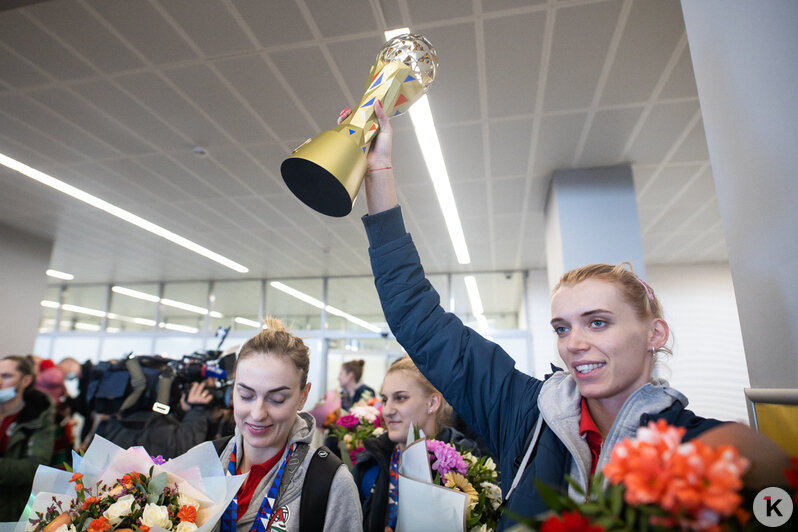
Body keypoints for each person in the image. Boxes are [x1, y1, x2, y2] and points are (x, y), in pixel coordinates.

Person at [340, 101, 793, 529]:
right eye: (562, 327)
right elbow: (416, 316)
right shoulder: (524, 415)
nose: (574, 342)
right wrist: (379, 173)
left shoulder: (704, 450)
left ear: (655, 332)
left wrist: (772, 474)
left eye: (598, 322)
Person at [215, 317, 362, 532]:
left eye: (277, 399)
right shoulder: (208, 462)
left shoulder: (329, 483)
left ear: (303, 396)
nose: (257, 414)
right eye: (246, 395)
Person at [351, 355, 483, 532]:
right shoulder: (370, 465)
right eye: (385, 399)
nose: (387, 410)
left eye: (400, 398)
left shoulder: (466, 462)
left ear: (433, 402)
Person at [0, 355, 55, 521]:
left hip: (10, 507)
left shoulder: (37, 419)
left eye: (6, 376)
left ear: (25, 381)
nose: (0, 382)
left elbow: (35, 467)